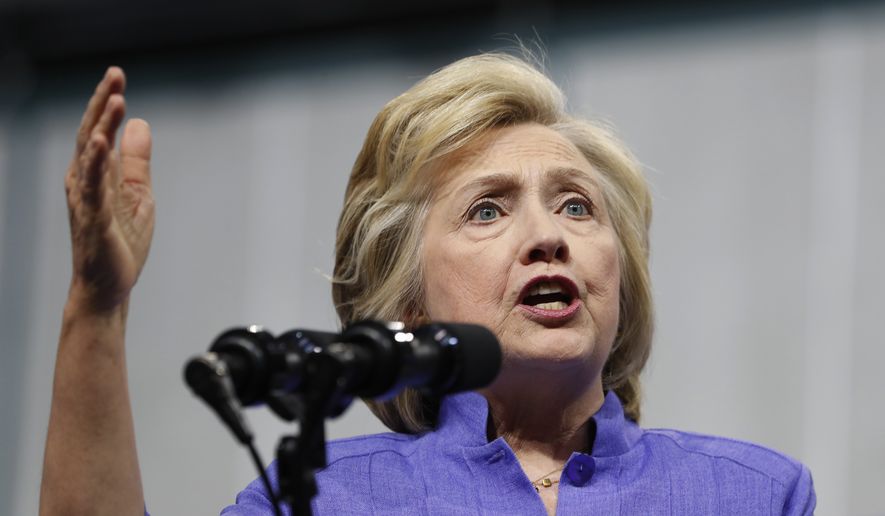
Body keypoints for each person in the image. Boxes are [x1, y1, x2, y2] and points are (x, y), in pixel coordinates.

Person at [40, 53, 816, 515]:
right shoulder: (326, 499)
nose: (548, 235)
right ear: (408, 302)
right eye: (487, 210)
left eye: (575, 205)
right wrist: (97, 308)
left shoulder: (750, 493)